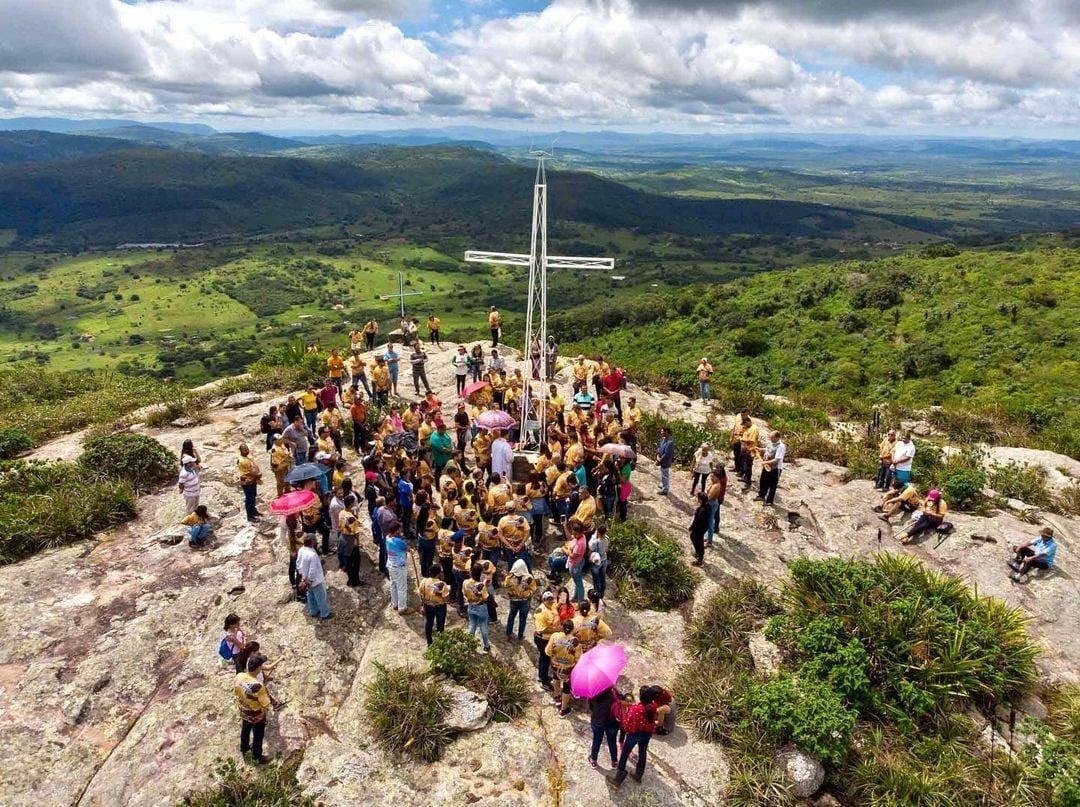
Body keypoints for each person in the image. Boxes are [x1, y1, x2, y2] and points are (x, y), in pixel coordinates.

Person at [611, 686, 660, 787]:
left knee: (624, 755)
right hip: (647, 734)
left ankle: (618, 779)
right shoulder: (654, 706)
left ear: (641, 697)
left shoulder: (636, 708)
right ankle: (638, 775)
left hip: (634, 734)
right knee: (642, 753)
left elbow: (627, 723)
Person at [234, 654, 273, 764]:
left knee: (245, 729)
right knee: (258, 735)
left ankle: (244, 748)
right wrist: (263, 713)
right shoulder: (258, 686)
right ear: (258, 668)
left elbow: (236, 691)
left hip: (243, 710)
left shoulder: (239, 676)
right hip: (256, 714)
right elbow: (265, 704)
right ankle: (257, 756)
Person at [546, 620, 582, 717]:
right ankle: (563, 709)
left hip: (555, 665)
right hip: (568, 669)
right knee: (566, 687)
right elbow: (578, 658)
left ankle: (557, 699)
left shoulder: (555, 636)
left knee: (556, 679)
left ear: (562, 627)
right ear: (572, 629)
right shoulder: (575, 641)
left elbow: (548, 651)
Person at [297, 535, 331, 620]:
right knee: (321, 597)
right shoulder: (312, 555)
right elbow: (312, 570)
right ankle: (325, 614)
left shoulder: (301, 550)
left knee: (310, 596)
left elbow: (298, 564)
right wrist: (310, 580)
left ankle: (313, 611)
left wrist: (303, 578)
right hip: (315, 580)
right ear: (312, 542)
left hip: (304, 578)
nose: (316, 542)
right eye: (315, 541)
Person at [588, 685, 623, 769]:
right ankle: (614, 761)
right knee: (612, 742)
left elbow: (591, 708)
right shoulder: (615, 694)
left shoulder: (593, 694)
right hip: (612, 722)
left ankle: (593, 760)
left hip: (598, 721)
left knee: (596, 741)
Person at [504, 558, 537, 640]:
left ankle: (508, 634)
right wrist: (528, 594)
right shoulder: (529, 578)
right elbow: (533, 589)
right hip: (525, 601)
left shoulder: (510, 577)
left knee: (511, 616)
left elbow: (506, 585)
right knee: (523, 619)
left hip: (513, 600)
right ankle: (520, 636)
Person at [463, 563, 492, 652]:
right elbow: (485, 598)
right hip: (481, 608)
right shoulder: (481, 586)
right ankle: (486, 645)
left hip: (471, 606)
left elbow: (464, 593)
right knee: (483, 626)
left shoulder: (465, 582)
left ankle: (468, 645)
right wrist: (485, 585)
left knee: (472, 626)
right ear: (480, 574)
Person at [534, 590, 559, 689]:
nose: (550, 601)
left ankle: (542, 676)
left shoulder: (552, 606)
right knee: (546, 659)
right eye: (548, 599)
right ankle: (544, 682)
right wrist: (557, 630)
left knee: (543, 658)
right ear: (543, 600)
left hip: (548, 638)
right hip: (542, 639)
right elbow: (542, 630)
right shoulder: (540, 611)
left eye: (551, 598)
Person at [419, 565, 450, 644]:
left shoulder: (424, 581)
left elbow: (421, 593)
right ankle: (440, 643)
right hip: (440, 607)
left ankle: (429, 642)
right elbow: (446, 599)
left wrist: (422, 604)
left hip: (428, 605)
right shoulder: (442, 584)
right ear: (438, 574)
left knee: (429, 623)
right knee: (440, 625)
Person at [756, 431, 786, 505]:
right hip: (767, 466)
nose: (771, 439)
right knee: (763, 481)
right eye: (770, 437)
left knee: (772, 485)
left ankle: (769, 501)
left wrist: (765, 462)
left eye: (772, 438)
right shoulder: (771, 442)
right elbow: (767, 449)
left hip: (775, 468)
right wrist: (760, 449)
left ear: (777, 437)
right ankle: (761, 496)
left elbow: (777, 460)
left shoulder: (781, 446)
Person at [386, 523, 410, 613]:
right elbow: (407, 548)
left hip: (390, 565)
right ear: (396, 531)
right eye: (399, 529)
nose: (400, 531)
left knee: (393, 584)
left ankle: (395, 604)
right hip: (399, 567)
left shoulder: (387, 538)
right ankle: (402, 608)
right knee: (402, 587)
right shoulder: (399, 541)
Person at [236, 444, 262, 522]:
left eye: (247, 449)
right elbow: (244, 473)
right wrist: (256, 475)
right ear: (241, 451)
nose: (247, 451)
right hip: (247, 483)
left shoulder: (247, 458)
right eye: (245, 450)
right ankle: (250, 516)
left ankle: (253, 511)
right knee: (249, 499)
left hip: (253, 480)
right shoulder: (241, 461)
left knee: (253, 496)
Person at [738, 413, 760, 490]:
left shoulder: (754, 429)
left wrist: (742, 440)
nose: (744, 426)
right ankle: (745, 477)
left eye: (745, 424)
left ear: (748, 422)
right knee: (744, 464)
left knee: (748, 466)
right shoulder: (748, 428)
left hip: (750, 450)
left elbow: (751, 441)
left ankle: (748, 482)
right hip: (745, 449)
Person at [589, 523, 610, 598]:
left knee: (596, 579)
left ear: (598, 531)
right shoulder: (607, 539)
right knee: (602, 577)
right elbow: (606, 549)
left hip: (596, 562)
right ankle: (602, 593)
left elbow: (590, 548)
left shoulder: (595, 542)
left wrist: (593, 537)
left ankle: (596, 595)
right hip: (604, 560)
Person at [689, 491, 709, 566]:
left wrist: (692, 527)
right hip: (703, 528)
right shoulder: (707, 507)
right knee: (694, 538)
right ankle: (698, 553)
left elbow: (697, 521)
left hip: (698, 529)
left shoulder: (701, 510)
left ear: (700, 500)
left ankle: (699, 560)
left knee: (699, 543)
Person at [656, 427, 675, 496]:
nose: (661, 433)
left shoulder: (670, 442)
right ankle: (663, 484)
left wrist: (659, 460)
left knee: (665, 475)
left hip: (665, 462)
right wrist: (657, 455)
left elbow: (667, 454)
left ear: (666, 432)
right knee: (663, 474)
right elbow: (659, 448)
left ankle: (665, 490)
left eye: (662, 431)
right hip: (661, 460)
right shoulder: (663, 439)